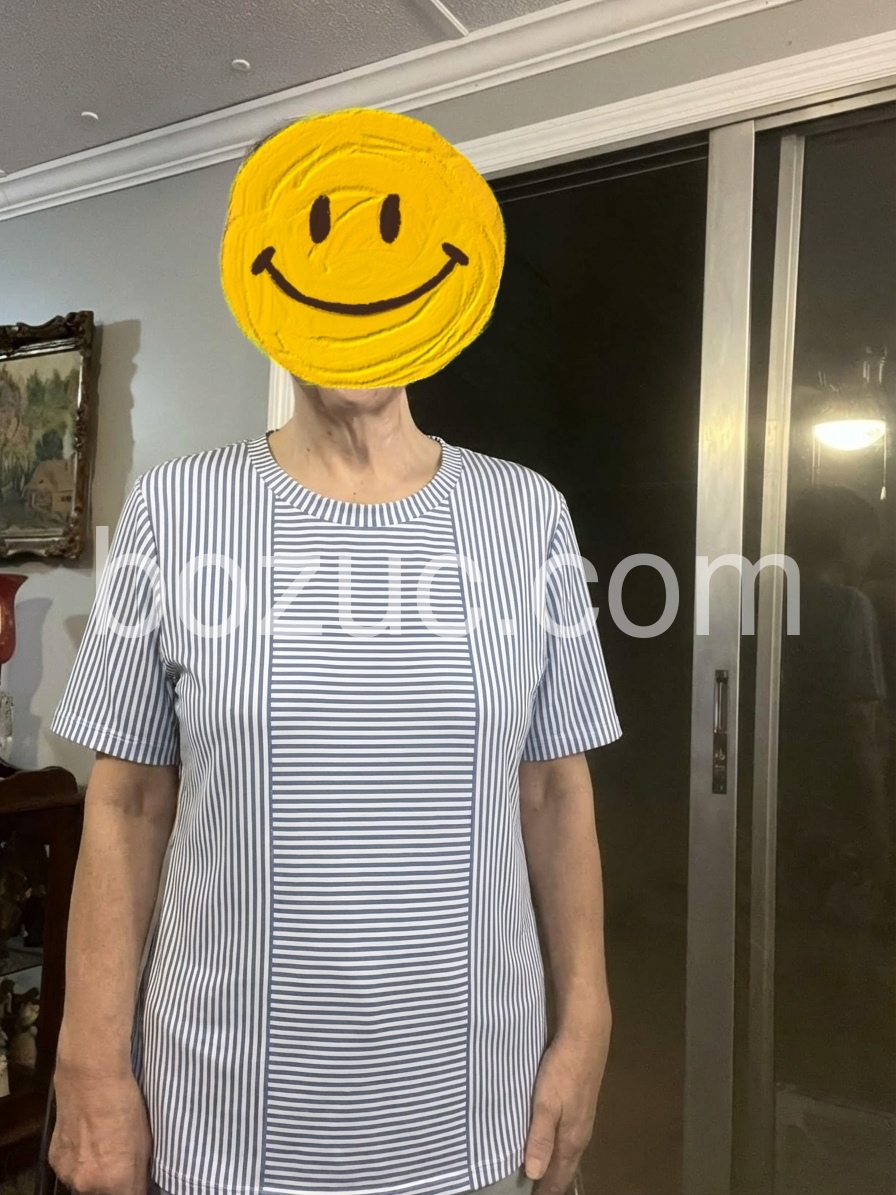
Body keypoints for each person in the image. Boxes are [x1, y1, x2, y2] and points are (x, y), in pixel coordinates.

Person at [47, 378, 622, 1195]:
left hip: (482, 1117)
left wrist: (587, 1022)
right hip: (219, 1122)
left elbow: (555, 792)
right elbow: (126, 802)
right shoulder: (171, 509)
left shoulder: (529, 515)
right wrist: (90, 1064)